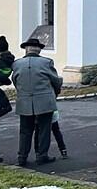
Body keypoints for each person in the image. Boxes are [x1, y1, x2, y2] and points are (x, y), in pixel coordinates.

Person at [11, 37, 62, 167]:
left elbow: (15, 81)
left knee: (25, 131)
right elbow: (55, 80)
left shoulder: (17, 64)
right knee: (44, 129)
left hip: (24, 100)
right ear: (39, 50)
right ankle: (42, 156)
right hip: (44, 100)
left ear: (26, 50)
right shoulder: (47, 62)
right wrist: (55, 92)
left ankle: (22, 157)